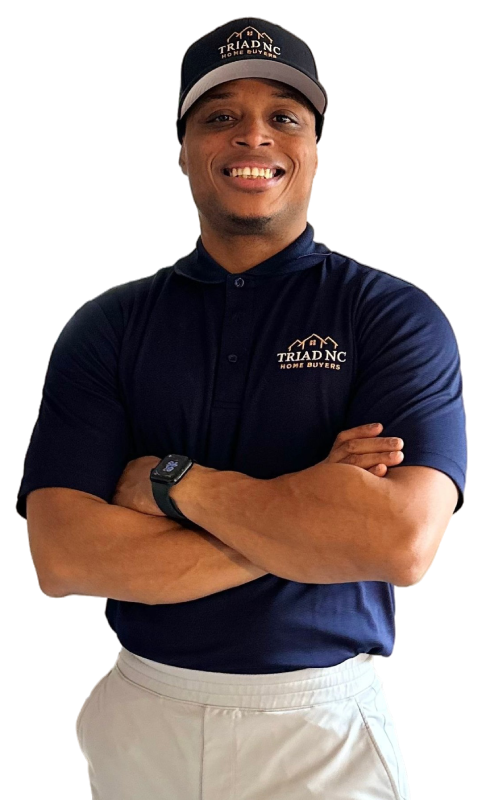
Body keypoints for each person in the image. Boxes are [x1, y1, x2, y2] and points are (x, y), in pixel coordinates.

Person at [17, 16, 466, 800]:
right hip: (145, 714)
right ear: (184, 150)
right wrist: (310, 520)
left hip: (320, 726)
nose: (252, 135)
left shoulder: (392, 316)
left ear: (315, 147)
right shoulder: (108, 325)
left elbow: (399, 545)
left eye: (283, 117)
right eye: (219, 115)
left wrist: (176, 484)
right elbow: (62, 558)